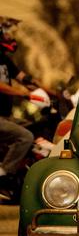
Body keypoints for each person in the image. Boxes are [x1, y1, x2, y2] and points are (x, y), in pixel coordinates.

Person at [0, 17, 48, 199]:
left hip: (7, 117)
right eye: (7, 32)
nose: (10, 36)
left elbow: (25, 79)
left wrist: (53, 93)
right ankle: (3, 176)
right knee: (25, 136)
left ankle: (20, 178)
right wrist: (24, 94)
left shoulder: (5, 60)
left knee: (35, 128)